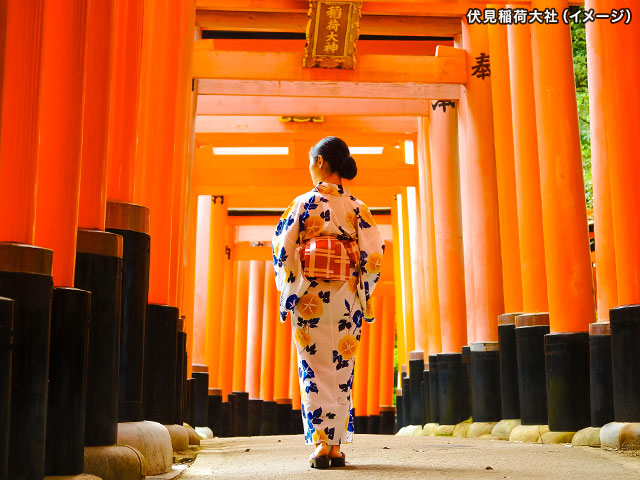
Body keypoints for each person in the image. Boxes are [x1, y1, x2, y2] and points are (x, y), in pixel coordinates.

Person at [271, 136, 384, 468]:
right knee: (341, 369)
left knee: (313, 368)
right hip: (347, 296)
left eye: (311, 162)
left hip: (310, 297)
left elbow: (283, 247)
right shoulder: (357, 207)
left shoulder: (303, 204)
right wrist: (361, 289)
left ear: (320, 162)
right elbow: (374, 254)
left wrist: (293, 285)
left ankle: (321, 445)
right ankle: (335, 446)